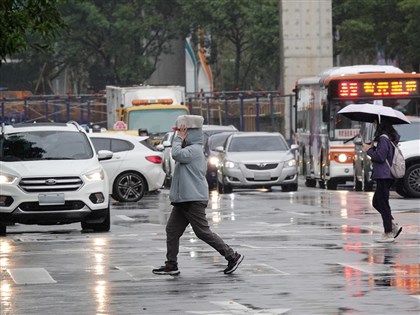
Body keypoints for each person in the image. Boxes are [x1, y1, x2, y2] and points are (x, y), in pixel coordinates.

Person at [153, 115, 243, 275]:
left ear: (190, 133)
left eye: (182, 132)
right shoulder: (191, 149)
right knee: (172, 230)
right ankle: (171, 264)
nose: (179, 135)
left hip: (193, 200)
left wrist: (178, 138)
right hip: (184, 199)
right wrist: (179, 137)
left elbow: (176, 154)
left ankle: (232, 256)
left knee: (202, 232)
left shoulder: (193, 150)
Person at [363, 119, 403, 243]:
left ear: (380, 125)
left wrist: (368, 150)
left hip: (384, 175)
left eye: (375, 123)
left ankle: (388, 233)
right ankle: (392, 225)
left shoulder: (383, 138)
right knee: (377, 202)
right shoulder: (387, 138)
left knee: (383, 204)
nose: (374, 125)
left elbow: (380, 157)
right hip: (385, 175)